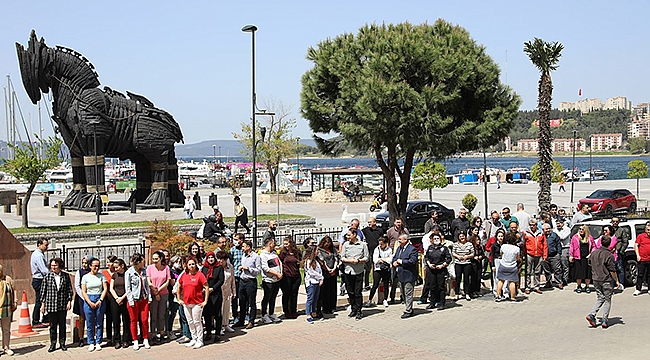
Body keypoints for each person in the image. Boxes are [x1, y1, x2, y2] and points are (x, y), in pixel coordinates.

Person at [586, 235, 620, 329]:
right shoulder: (609, 255)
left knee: (600, 297)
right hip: (606, 280)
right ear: (609, 244)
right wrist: (617, 281)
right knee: (607, 299)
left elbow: (589, 263)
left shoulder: (594, 253)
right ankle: (605, 319)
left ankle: (592, 314)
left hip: (596, 279)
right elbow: (612, 270)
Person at [40, 257, 73, 352]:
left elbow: (69, 290)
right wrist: (43, 305)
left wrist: (69, 301)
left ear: (60, 266)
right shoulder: (47, 277)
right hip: (51, 304)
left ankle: (62, 342)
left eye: (55, 265)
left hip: (62, 304)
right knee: (53, 326)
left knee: (62, 324)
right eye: (52, 265)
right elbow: (43, 291)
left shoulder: (65, 276)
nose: (53, 267)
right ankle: (53, 343)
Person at [177, 256, 209, 349]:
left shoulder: (200, 275)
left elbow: (206, 287)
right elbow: (179, 287)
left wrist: (205, 301)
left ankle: (200, 340)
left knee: (197, 321)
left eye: (193, 264)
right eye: (189, 264)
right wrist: (179, 299)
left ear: (196, 265)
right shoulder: (184, 275)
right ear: (186, 265)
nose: (191, 266)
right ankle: (194, 338)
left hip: (197, 303)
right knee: (190, 322)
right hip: (186, 303)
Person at [125, 253, 152, 351]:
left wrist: (149, 296)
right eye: (142, 260)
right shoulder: (129, 272)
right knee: (133, 320)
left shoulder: (144, 271)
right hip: (134, 299)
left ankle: (145, 338)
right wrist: (130, 300)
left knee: (144, 320)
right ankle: (135, 340)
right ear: (138, 262)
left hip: (143, 299)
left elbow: (147, 285)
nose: (144, 262)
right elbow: (128, 288)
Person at [81, 257, 108, 352]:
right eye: (95, 266)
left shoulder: (101, 276)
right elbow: (83, 291)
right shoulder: (85, 277)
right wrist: (89, 302)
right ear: (90, 266)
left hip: (99, 298)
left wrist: (100, 300)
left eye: (98, 266)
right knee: (89, 322)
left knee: (99, 322)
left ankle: (98, 342)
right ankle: (91, 342)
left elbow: (105, 288)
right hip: (89, 298)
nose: (97, 268)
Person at [341, 229, 369, 320]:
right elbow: (342, 257)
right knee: (350, 292)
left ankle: (359, 311)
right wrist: (350, 261)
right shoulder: (346, 245)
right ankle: (353, 309)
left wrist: (358, 261)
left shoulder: (362, 245)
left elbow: (366, 258)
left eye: (349, 235)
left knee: (357, 292)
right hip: (348, 271)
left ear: (354, 235)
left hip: (358, 271)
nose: (347, 237)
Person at [235, 240, 261, 329]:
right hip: (243, 281)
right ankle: (241, 320)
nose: (242, 248)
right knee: (242, 302)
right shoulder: (244, 256)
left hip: (251, 281)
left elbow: (258, 270)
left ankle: (251, 321)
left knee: (251, 302)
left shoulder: (256, 257)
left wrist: (248, 268)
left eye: (243, 246)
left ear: (248, 247)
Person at [146, 250, 171, 344]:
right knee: (153, 315)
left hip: (163, 294)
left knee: (161, 315)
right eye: (153, 259)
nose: (155, 261)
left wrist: (159, 290)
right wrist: (155, 292)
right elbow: (148, 280)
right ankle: (153, 334)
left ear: (161, 259)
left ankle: (162, 333)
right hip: (153, 294)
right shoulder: (149, 268)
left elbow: (167, 281)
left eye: (156, 259)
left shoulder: (166, 268)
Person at [392, 234, 418, 318]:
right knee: (403, 293)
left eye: (400, 239)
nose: (398, 241)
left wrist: (402, 262)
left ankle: (408, 310)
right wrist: (394, 262)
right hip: (400, 274)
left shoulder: (412, 249)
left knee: (408, 293)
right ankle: (408, 307)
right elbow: (395, 257)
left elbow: (413, 261)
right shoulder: (399, 248)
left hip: (409, 274)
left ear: (405, 240)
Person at [200, 251, 224, 343]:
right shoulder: (204, 268)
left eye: (212, 257)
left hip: (216, 294)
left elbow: (221, 280)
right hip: (206, 295)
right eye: (209, 258)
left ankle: (217, 333)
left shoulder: (219, 268)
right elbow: (202, 280)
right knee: (207, 314)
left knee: (217, 314)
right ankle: (209, 332)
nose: (210, 259)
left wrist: (213, 288)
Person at [424, 233, 451, 310]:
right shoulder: (430, 248)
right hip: (431, 269)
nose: (436, 240)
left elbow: (449, 258)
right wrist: (429, 264)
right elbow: (426, 257)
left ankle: (442, 303)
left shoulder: (444, 248)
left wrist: (442, 265)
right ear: (432, 240)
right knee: (432, 287)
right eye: (434, 239)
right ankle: (432, 303)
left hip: (441, 270)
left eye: (437, 238)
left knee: (441, 287)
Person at [364, 237, 393, 308]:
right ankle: (370, 300)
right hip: (378, 269)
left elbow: (390, 259)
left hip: (386, 269)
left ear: (386, 243)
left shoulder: (389, 249)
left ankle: (385, 299)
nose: (380, 245)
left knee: (386, 285)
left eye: (382, 244)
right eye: (379, 243)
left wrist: (382, 259)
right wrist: (384, 259)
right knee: (375, 285)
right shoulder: (376, 249)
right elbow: (375, 260)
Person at [109, 258, 131, 349]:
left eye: (117, 267)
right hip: (116, 300)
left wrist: (122, 297)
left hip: (125, 299)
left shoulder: (128, 274)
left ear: (122, 266)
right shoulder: (114, 275)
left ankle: (126, 339)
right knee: (116, 320)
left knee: (126, 320)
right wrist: (117, 298)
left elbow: (130, 288)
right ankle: (117, 340)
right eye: (114, 267)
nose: (115, 269)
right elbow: (111, 288)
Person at [260, 238, 283, 324]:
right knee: (267, 297)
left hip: (276, 280)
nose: (275, 245)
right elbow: (265, 268)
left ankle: (271, 313)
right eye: (273, 243)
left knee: (273, 297)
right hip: (268, 280)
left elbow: (279, 263)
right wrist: (276, 274)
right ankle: (264, 315)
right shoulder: (263, 255)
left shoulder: (274, 253)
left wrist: (281, 273)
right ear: (270, 244)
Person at [386, 217, 409, 303]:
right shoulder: (390, 231)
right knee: (394, 279)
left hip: (403, 257)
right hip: (394, 255)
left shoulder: (405, 230)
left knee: (402, 280)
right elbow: (387, 241)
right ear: (394, 223)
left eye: (400, 222)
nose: (398, 224)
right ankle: (392, 297)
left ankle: (403, 297)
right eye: (397, 222)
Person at [279, 236, 302, 319]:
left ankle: (293, 310)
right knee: (286, 294)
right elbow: (280, 262)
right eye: (284, 244)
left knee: (294, 294)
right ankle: (286, 311)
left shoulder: (297, 252)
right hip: (286, 276)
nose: (285, 245)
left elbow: (300, 262)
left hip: (296, 275)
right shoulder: (283, 253)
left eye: (287, 244)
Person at [495, 233, 522, 302]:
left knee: (501, 280)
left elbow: (501, 254)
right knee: (512, 282)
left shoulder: (503, 246)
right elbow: (518, 258)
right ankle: (513, 297)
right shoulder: (517, 248)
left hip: (503, 265)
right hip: (512, 266)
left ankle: (498, 296)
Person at [317, 236, 340, 315]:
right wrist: (327, 269)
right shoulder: (320, 250)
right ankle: (326, 307)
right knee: (326, 291)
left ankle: (333, 306)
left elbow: (336, 258)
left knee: (333, 290)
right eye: (326, 243)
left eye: (329, 243)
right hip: (325, 272)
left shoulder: (333, 249)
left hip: (333, 271)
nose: (327, 244)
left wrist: (334, 268)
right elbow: (321, 260)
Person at [524, 221, 548, 294]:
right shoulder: (526, 232)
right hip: (529, 254)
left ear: (536, 225)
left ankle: (536, 286)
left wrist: (545, 255)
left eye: (533, 225)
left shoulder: (541, 233)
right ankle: (527, 287)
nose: (532, 226)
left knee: (537, 271)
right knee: (528, 271)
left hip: (539, 254)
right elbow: (524, 244)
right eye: (530, 225)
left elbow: (544, 244)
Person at [30, 238, 49, 328]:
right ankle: (36, 320)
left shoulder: (38, 254)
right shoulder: (38, 255)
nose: (47, 247)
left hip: (38, 279)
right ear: (39, 245)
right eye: (45, 245)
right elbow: (43, 269)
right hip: (39, 280)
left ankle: (44, 318)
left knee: (42, 300)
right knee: (39, 300)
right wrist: (52, 274)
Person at [570, 225, 594, 293]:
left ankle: (587, 286)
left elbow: (594, 247)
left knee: (587, 274)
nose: (581, 230)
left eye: (582, 229)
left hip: (587, 258)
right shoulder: (575, 237)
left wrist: (591, 254)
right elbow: (572, 246)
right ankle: (579, 286)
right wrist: (571, 255)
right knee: (579, 274)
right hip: (578, 258)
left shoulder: (590, 238)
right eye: (580, 229)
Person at [303, 246, 324, 324]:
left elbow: (319, 271)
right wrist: (321, 277)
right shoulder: (308, 261)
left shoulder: (316, 261)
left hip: (317, 282)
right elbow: (311, 272)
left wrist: (321, 279)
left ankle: (314, 312)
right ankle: (308, 314)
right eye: (316, 250)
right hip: (311, 282)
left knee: (316, 298)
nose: (317, 252)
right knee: (310, 299)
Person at [217, 251, 236, 335]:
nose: (221, 261)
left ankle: (226, 324)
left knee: (226, 309)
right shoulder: (217, 268)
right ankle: (219, 326)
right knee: (219, 310)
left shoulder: (230, 267)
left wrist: (234, 291)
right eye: (219, 259)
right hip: (219, 292)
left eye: (223, 259)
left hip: (227, 291)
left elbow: (232, 280)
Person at [0, 264, 17, 356]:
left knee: (6, 329)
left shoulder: (7, 279)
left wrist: (15, 302)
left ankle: (6, 347)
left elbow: (14, 290)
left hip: (6, 308)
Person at [72, 257, 89, 347]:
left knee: (91, 318)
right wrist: (83, 297)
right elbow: (77, 286)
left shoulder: (91, 271)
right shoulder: (79, 272)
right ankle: (81, 338)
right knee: (82, 318)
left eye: (86, 263)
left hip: (90, 297)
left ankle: (91, 337)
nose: (84, 265)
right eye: (83, 263)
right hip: (81, 298)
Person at [452, 232, 474, 301]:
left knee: (466, 279)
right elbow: (453, 252)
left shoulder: (469, 244)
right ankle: (457, 294)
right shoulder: (455, 244)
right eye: (460, 236)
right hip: (458, 263)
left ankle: (467, 293)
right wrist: (458, 256)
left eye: (463, 236)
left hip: (467, 263)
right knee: (458, 279)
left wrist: (467, 256)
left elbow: (473, 253)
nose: (462, 237)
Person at [229, 233, 245, 321]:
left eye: (236, 239)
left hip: (244, 276)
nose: (235, 241)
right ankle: (235, 315)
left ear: (241, 240)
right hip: (235, 276)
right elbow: (230, 262)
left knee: (243, 297)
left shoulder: (245, 250)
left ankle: (244, 313)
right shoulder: (232, 250)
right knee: (235, 297)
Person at [542, 223, 563, 289]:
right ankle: (548, 282)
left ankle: (559, 282)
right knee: (547, 271)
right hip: (545, 256)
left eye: (549, 228)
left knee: (557, 270)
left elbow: (558, 244)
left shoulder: (554, 235)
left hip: (554, 255)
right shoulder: (541, 236)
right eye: (546, 229)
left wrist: (559, 253)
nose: (548, 230)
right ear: (543, 230)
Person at [101, 255, 116, 347]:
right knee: (109, 318)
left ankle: (117, 336)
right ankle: (109, 338)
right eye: (107, 262)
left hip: (117, 297)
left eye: (110, 262)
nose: (108, 264)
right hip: (107, 298)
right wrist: (107, 294)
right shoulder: (104, 273)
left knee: (117, 319)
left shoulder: (117, 272)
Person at [611, 217, 630, 286]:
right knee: (611, 268)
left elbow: (625, 242)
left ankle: (621, 283)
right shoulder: (609, 229)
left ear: (618, 222)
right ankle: (612, 284)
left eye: (616, 221)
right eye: (613, 221)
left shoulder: (621, 230)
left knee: (620, 268)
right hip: (610, 252)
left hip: (618, 252)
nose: (615, 223)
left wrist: (621, 250)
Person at [634, 221, 650, 296]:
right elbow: (636, 245)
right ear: (645, 229)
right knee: (640, 274)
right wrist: (638, 255)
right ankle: (638, 289)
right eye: (648, 230)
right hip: (642, 258)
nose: (649, 231)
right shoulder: (641, 236)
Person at [555, 217, 572, 287]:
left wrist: (556, 232)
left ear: (562, 223)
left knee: (565, 264)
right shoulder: (556, 229)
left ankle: (565, 279)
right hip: (558, 248)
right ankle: (559, 280)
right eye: (557, 224)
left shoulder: (567, 229)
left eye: (559, 224)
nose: (557, 225)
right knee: (558, 265)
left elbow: (562, 237)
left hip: (565, 248)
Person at [469, 231, 485, 297]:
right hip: (473, 264)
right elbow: (469, 256)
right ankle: (472, 291)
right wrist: (474, 258)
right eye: (477, 240)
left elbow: (483, 255)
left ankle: (477, 290)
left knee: (478, 277)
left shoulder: (480, 248)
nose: (478, 241)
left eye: (479, 240)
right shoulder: (471, 248)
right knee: (473, 278)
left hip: (479, 264)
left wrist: (481, 256)